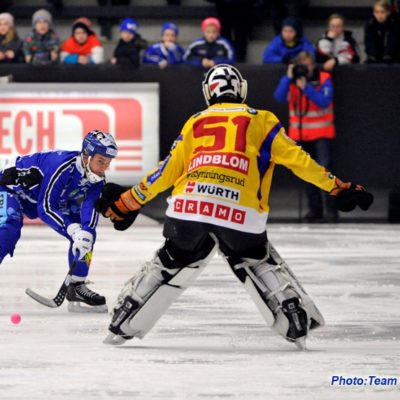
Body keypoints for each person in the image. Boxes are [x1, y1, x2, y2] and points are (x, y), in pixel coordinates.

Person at [95, 64, 373, 347]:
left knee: (170, 259)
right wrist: (338, 187)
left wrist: (127, 201)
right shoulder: (263, 120)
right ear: (241, 89)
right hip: (240, 214)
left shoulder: (195, 121)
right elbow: (300, 162)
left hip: (188, 209)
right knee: (256, 258)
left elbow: (166, 171)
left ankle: (125, 315)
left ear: (208, 92)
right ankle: (290, 310)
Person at [0, 130, 118, 313]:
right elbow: (46, 207)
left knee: (85, 234)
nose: (104, 168)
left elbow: (90, 208)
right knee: (9, 230)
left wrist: (85, 232)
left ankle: (76, 286)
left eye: (108, 163)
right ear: (87, 156)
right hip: (11, 190)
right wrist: (72, 229)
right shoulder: (62, 167)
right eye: (101, 161)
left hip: (39, 198)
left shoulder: (97, 179)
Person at [274, 51, 338, 222]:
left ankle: (331, 210)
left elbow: (324, 101)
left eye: (309, 65)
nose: (306, 68)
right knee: (306, 172)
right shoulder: (292, 81)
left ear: (314, 65)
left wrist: (306, 88)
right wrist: (288, 78)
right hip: (300, 134)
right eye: (303, 65)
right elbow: (278, 97)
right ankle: (314, 210)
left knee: (325, 171)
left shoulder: (323, 78)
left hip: (321, 133)